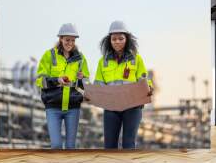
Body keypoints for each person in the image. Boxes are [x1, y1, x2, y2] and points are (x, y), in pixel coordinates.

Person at [94, 21, 153, 149]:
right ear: (109, 40)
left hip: (132, 106)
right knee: (109, 146)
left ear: (127, 39)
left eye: (121, 38)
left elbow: (143, 79)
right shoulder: (102, 62)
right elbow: (98, 84)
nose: (117, 42)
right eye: (114, 39)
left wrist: (149, 87)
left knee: (128, 144)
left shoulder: (136, 59)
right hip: (111, 107)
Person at [36, 23, 89, 149]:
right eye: (67, 40)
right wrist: (56, 80)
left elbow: (86, 85)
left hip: (73, 108)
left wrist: (82, 78)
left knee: (71, 146)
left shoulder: (80, 59)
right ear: (60, 39)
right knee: (56, 145)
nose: (70, 43)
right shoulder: (49, 56)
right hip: (53, 107)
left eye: (72, 40)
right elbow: (40, 80)